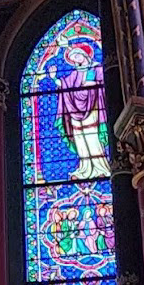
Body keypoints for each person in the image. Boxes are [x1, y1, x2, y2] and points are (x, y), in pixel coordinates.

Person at [51, 42, 110, 181]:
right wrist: (54, 77)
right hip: (74, 111)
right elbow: (64, 84)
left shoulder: (96, 68)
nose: (75, 59)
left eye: (77, 56)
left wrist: (93, 84)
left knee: (92, 136)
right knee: (80, 138)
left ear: (85, 55)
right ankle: (85, 169)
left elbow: (103, 83)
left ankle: (101, 167)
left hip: (93, 107)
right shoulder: (74, 74)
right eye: (73, 58)